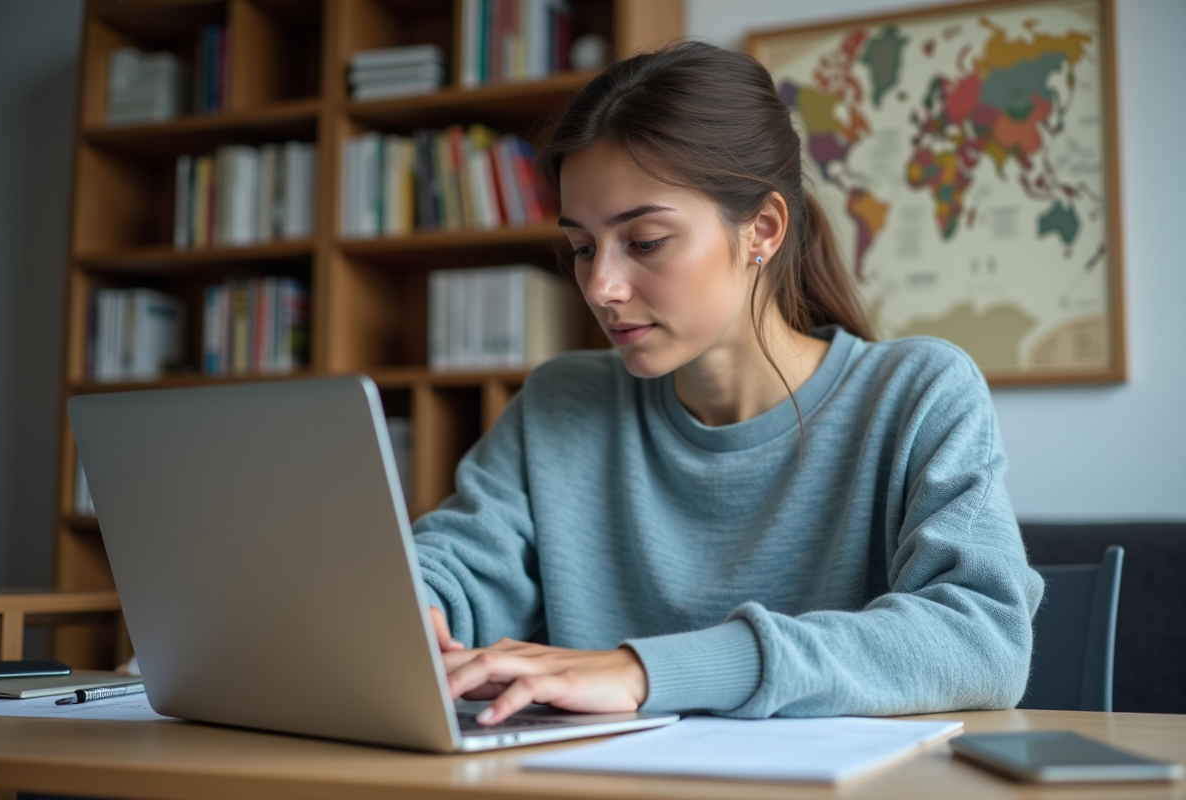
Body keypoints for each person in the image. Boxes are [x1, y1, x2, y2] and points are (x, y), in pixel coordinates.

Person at [413, 41, 1044, 727]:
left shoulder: (918, 393)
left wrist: (644, 672)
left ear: (762, 230)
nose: (600, 287)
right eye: (583, 248)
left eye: (644, 241)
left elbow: (982, 638)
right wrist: (411, 604)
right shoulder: (559, 402)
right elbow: (456, 567)